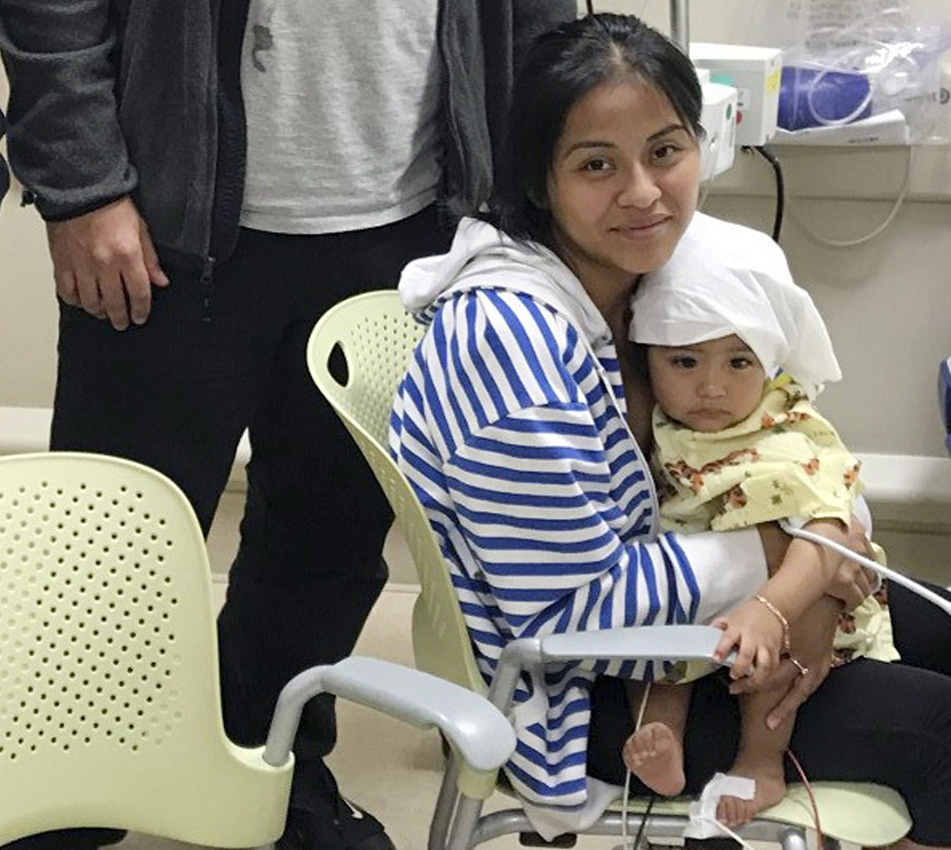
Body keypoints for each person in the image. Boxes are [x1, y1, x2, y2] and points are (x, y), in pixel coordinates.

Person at [390, 13, 951, 849]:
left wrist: (817, 550)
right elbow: (571, 614)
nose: (642, 191)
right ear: (538, 180)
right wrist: (794, 559)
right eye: (597, 164)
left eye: (666, 152)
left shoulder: (634, 279)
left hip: (662, 620)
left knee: (945, 635)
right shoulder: (511, 349)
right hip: (581, 693)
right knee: (944, 731)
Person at [0, 2, 573, 849]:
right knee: (104, 554)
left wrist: (525, 201)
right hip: (163, 218)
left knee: (326, 547)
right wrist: (80, 185)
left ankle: (274, 766)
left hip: (408, 222)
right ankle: (65, 789)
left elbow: (534, 20)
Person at [620, 219, 900, 825]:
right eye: (685, 361)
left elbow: (826, 533)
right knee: (653, 659)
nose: (711, 387)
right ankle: (658, 740)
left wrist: (769, 609)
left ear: (771, 365)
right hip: (693, 595)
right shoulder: (658, 426)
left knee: (787, 647)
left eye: (739, 362)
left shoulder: (781, 429)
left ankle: (761, 762)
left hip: (784, 601)